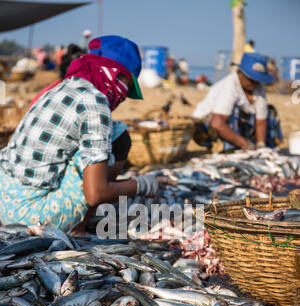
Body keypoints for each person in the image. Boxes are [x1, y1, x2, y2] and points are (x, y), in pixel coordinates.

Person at [0, 35, 158, 235]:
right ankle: (77, 226)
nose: (124, 95)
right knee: (118, 135)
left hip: (5, 199)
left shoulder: (61, 87)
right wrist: (142, 185)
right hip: (33, 216)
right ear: (114, 74)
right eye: (126, 82)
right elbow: (95, 194)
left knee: (94, 145)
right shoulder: (94, 101)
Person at [192, 52, 283, 153]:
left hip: (236, 123)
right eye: (250, 79)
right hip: (207, 126)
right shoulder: (229, 86)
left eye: (257, 80)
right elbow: (217, 123)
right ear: (240, 72)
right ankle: (227, 148)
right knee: (235, 109)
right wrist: (245, 144)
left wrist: (261, 144)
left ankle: (263, 146)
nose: (253, 83)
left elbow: (261, 120)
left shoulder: (258, 87)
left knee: (270, 111)